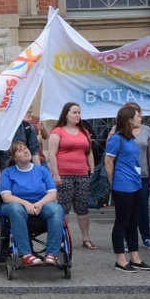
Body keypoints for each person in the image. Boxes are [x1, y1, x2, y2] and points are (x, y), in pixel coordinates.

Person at [0, 141, 65, 266]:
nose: (25, 151)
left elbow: (52, 193)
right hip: (16, 204)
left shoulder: (42, 170)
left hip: (41, 203)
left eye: (25, 148)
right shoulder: (7, 173)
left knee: (57, 210)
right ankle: (26, 254)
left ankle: (51, 254)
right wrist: (26, 204)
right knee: (15, 209)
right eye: (20, 150)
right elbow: (6, 197)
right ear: (14, 157)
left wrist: (39, 204)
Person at [104, 105, 150, 272]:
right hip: (122, 185)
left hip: (136, 184)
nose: (140, 118)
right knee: (122, 222)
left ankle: (135, 257)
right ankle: (120, 259)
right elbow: (108, 162)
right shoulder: (117, 138)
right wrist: (112, 182)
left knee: (134, 222)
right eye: (138, 116)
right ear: (130, 119)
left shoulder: (131, 138)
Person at [48, 102, 96, 249]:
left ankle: (86, 239)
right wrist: (56, 174)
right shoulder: (57, 132)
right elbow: (52, 154)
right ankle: (63, 238)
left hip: (82, 174)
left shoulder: (84, 132)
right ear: (66, 114)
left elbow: (88, 153)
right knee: (64, 207)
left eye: (79, 113)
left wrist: (92, 171)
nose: (77, 115)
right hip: (64, 174)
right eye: (74, 112)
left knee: (82, 207)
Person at [0, 119, 40, 184]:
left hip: (26, 172)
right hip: (6, 172)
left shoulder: (27, 127)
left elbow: (34, 152)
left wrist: (39, 171)